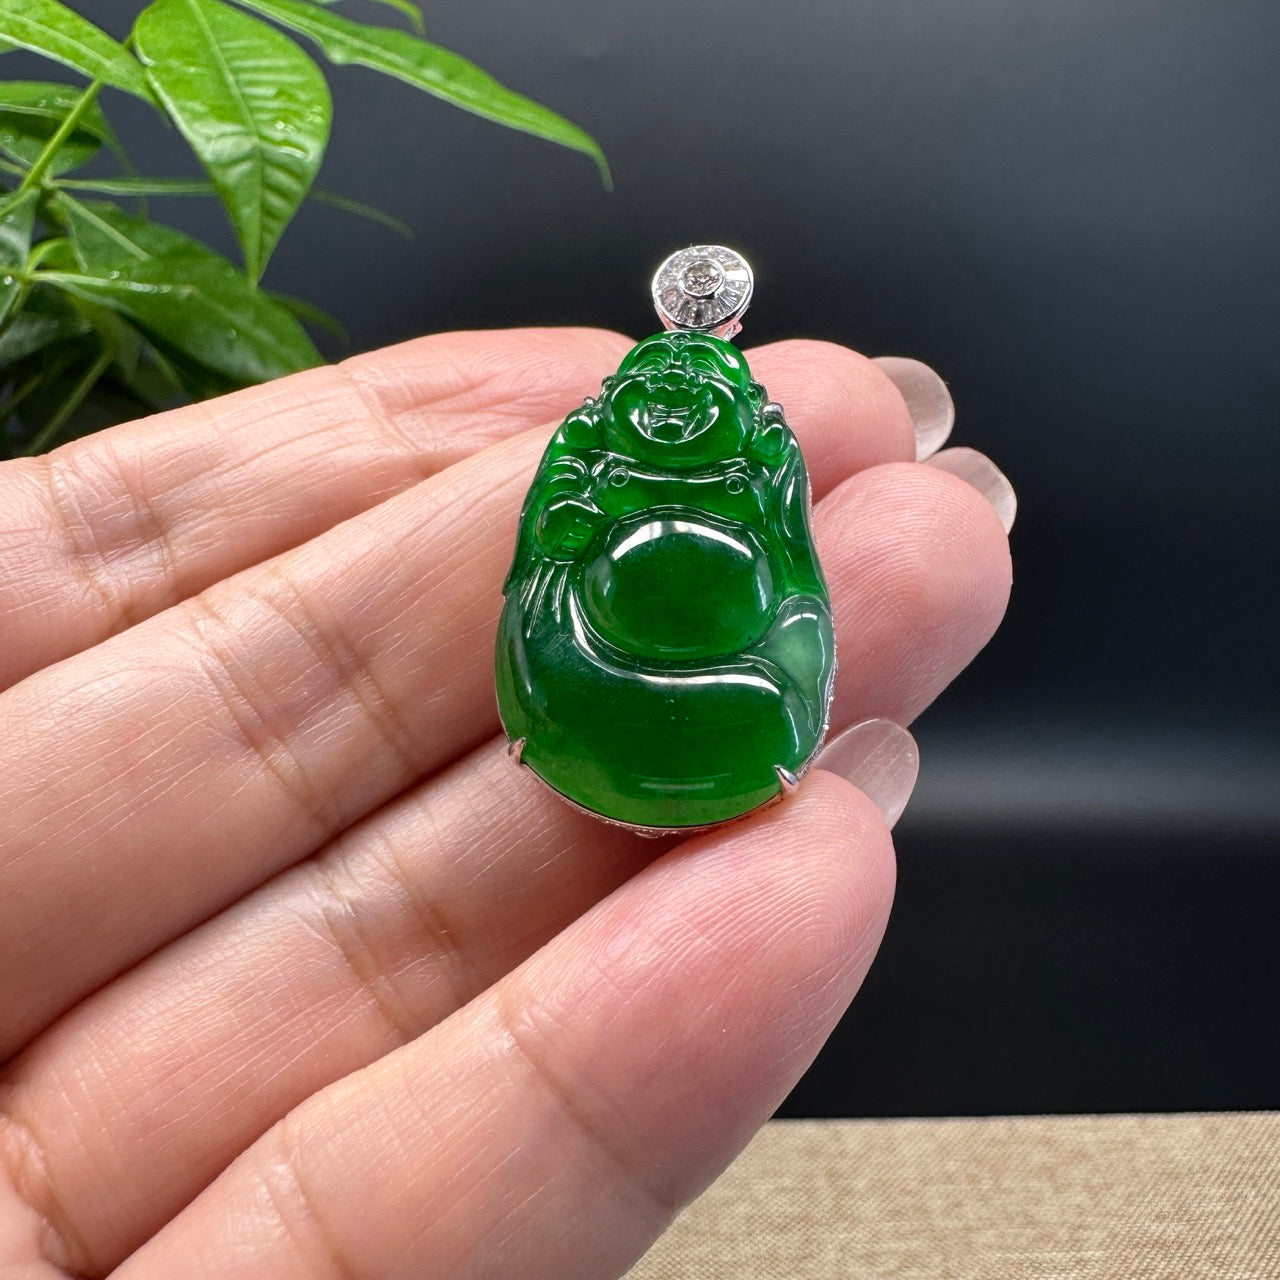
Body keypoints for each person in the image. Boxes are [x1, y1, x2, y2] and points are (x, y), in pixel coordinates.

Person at [0, 327, 1012, 1278]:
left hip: (728, 685)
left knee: (760, 685)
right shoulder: (586, 463)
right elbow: (541, 573)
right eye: (653, 387)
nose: (669, 406)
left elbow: (793, 577)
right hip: (589, 672)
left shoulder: (760, 469)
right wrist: (570, 539)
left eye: (693, 390)